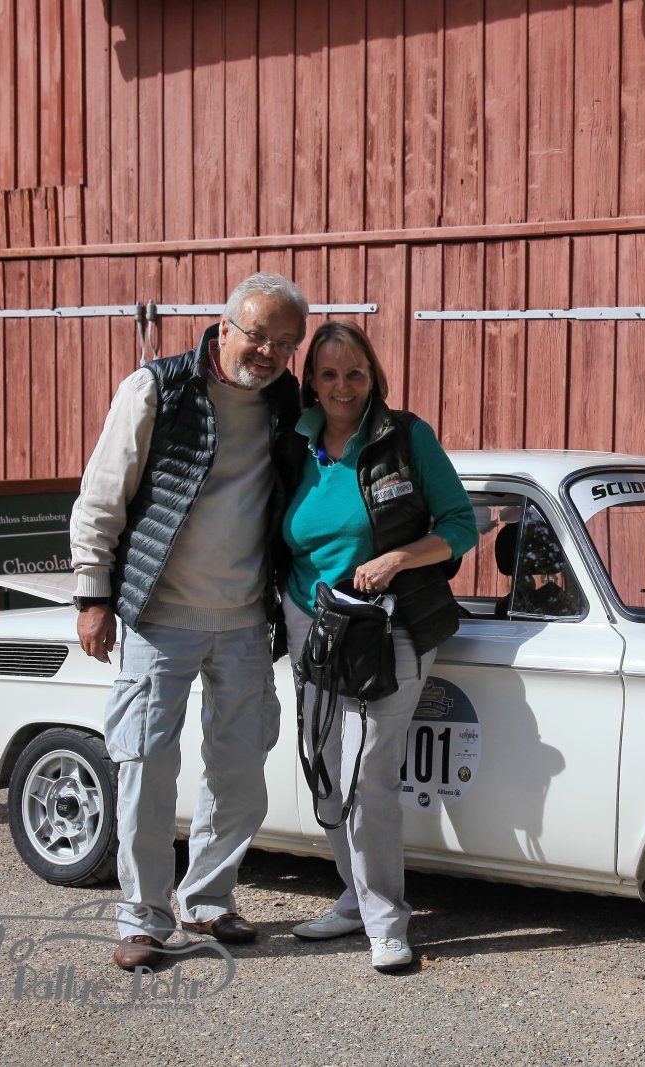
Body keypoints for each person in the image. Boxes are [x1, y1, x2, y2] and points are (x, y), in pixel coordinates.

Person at [70, 272, 306, 970]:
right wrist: (92, 595)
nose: (268, 352)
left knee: (240, 769)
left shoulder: (288, 402)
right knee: (145, 767)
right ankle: (142, 918)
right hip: (159, 614)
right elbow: (101, 496)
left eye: (284, 342)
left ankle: (208, 899)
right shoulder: (156, 388)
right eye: (258, 335)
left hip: (245, 620)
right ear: (224, 326)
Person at [280, 320, 476, 971]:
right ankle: (355, 895)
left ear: (374, 376)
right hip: (312, 623)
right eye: (329, 374)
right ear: (311, 382)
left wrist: (397, 558)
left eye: (355, 373)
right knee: (324, 770)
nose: (343, 386)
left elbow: (461, 524)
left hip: (391, 625)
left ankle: (386, 920)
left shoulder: (406, 437)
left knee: (368, 775)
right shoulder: (293, 444)